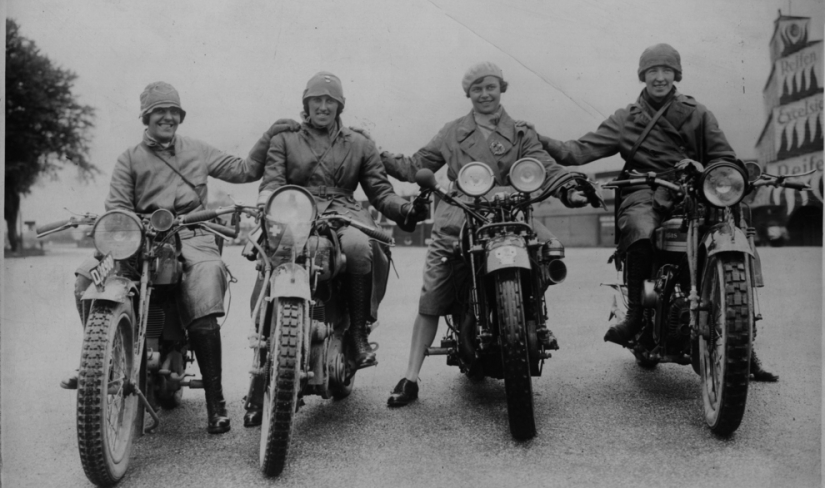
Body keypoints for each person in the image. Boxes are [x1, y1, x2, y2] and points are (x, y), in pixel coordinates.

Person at [536, 43, 778, 382]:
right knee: (639, 227)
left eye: (666, 70)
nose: (660, 77)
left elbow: (723, 156)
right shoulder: (626, 119)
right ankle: (636, 314)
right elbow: (575, 151)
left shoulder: (698, 113)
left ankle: (743, 342)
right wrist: (534, 137)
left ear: (676, 74)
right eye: (653, 71)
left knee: (732, 228)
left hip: (692, 190)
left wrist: (714, 172)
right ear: (643, 76)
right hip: (644, 191)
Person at [65, 81, 296, 434]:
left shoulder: (198, 150)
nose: (168, 117)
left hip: (192, 235)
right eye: (160, 111)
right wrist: (126, 232)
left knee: (206, 278)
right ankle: (102, 363)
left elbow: (244, 170)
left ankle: (215, 402)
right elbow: (116, 208)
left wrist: (269, 135)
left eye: (174, 111)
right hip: (140, 239)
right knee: (87, 276)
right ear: (146, 116)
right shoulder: (129, 158)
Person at [377, 62, 589, 407]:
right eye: (477, 88)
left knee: (549, 249)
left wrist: (568, 190)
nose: (485, 94)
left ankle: (530, 317)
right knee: (433, 290)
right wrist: (376, 151)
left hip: (511, 211)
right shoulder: (452, 132)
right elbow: (416, 164)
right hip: (461, 213)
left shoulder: (520, 131)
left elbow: (542, 166)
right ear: (468, 94)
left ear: (501, 88)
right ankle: (411, 377)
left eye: (490, 86)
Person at [242, 71, 425, 427]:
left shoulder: (359, 142)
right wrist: (266, 207)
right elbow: (272, 182)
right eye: (316, 100)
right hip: (295, 210)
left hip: (345, 212)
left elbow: (379, 190)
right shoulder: (284, 138)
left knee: (359, 248)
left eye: (330, 101)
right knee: (272, 265)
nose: (323, 106)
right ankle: (260, 376)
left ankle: (357, 335)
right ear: (306, 104)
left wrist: (404, 209)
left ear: (340, 105)